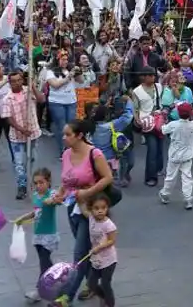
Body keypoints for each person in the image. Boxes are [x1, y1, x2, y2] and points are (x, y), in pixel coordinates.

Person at [54, 119, 114, 306]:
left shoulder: (94, 153)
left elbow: (108, 177)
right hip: (72, 208)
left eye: (68, 135)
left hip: (90, 211)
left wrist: (87, 192)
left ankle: (66, 297)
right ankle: (96, 289)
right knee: (86, 252)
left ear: (79, 136)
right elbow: (66, 181)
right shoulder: (65, 155)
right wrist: (60, 194)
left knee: (80, 254)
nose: (64, 138)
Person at [15, 168, 60, 303]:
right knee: (46, 263)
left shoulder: (51, 194)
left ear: (48, 182)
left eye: (41, 182)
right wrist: (22, 218)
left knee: (43, 263)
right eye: (36, 183)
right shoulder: (35, 195)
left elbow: (57, 200)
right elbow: (35, 212)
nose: (39, 186)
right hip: (38, 235)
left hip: (49, 236)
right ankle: (58, 278)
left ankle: (40, 291)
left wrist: (53, 200)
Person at [3, 71, 47, 200]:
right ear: (10, 83)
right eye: (14, 81)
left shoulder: (29, 92)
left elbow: (41, 99)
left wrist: (32, 86)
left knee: (32, 159)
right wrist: (21, 129)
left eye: (19, 80)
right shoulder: (7, 98)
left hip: (33, 133)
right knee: (19, 163)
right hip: (17, 137)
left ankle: (35, 183)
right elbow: (9, 119)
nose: (17, 83)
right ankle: (21, 186)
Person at [159, 103, 193, 209]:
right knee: (187, 177)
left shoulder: (173, 124)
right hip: (187, 156)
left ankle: (165, 194)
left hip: (174, 155)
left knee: (170, 176)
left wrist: (164, 118)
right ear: (190, 113)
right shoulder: (192, 125)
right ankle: (188, 199)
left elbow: (163, 129)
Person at [132, 67, 165, 187]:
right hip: (147, 123)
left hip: (160, 120)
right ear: (143, 77)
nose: (153, 77)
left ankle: (158, 168)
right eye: (150, 75)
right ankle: (150, 177)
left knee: (160, 148)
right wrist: (137, 120)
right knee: (152, 149)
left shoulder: (159, 87)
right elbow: (135, 108)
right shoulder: (136, 91)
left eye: (153, 75)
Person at [46, 50, 81, 152]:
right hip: (57, 102)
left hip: (71, 101)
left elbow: (81, 80)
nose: (65, 62)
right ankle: (63, 149)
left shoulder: (70, 69)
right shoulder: (50, 71)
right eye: (63, 59)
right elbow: (55, 85)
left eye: (67, 60)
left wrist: (78, 72)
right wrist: (69, 76)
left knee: (71, 126)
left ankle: (70, 147)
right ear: (57, 60)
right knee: (62, 127)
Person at [86, 194, 118, 307]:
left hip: (108, 260)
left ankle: (109, 304)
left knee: (105, 284)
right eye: (96, 208)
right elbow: (82, 206)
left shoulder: (109, 225)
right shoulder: (91, 218)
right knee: (91, 284)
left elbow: (112, 241)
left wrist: (99, 247)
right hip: (96, 259)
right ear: (91, 209)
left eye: (103, 208)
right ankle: (104, 297)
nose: (100, 211)